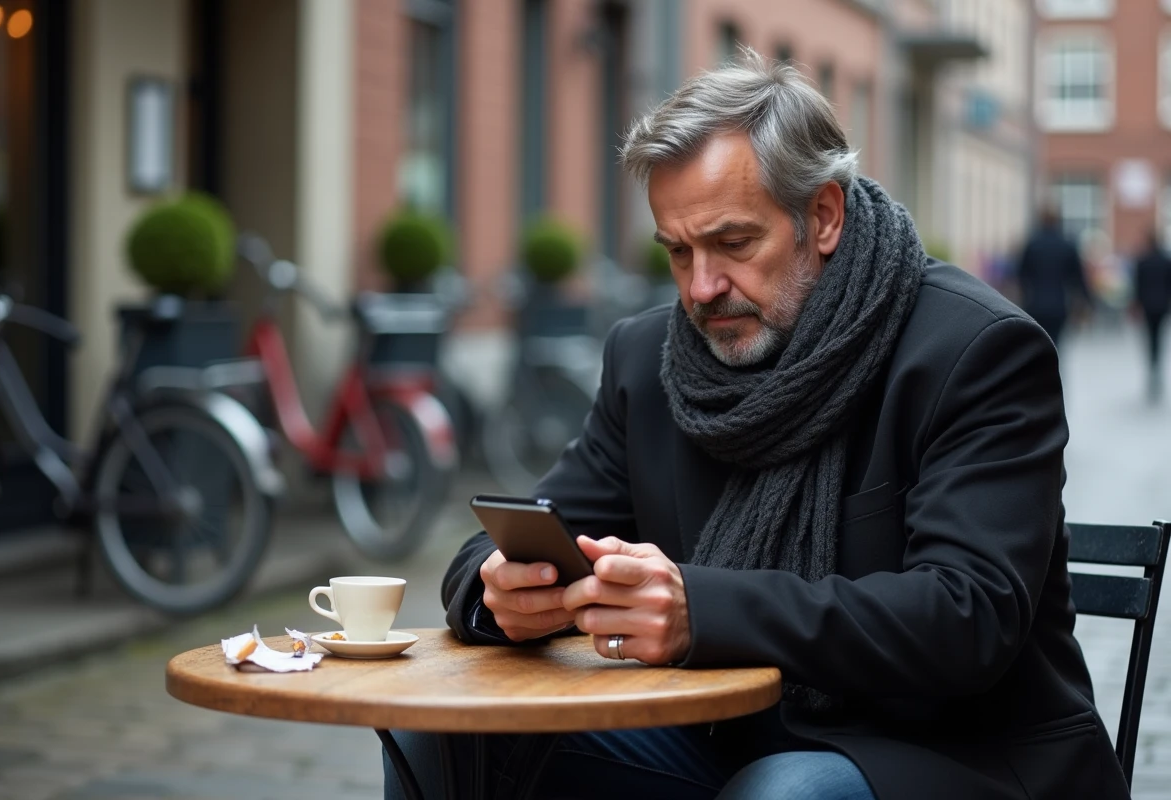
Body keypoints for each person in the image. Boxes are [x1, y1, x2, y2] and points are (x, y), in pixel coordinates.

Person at [386, 50, 1129, 800]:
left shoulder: (974, 350)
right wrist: (501, 591)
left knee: (785, 794)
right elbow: (513, 534)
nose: (702, 288)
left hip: (956, 756)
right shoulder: (648, 358)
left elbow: (966, 617)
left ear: (824, 216)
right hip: (726, 739)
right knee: (442, 729)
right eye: (678, 251)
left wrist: (698, 610)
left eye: (734, 244)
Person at [1016, 207, 1093, 347]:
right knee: (1055, 343)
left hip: (1035, 303)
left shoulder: (1032, 245)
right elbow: (1078, 278)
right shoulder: (1067, 245)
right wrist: (1087, 301)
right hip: (1059, 305)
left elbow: (1021, 276)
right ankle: (1052, 367)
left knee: (1037, 344)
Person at [1132, 229, 1171, 401]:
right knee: (1159, 337)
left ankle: (1152, 367)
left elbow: (1138, 287)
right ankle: (1156, 368)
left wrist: (1135, 305)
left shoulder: (1143, 261)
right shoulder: (1166, 261)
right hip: (1162, 305)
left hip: (1147, 305)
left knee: (1150, 338)